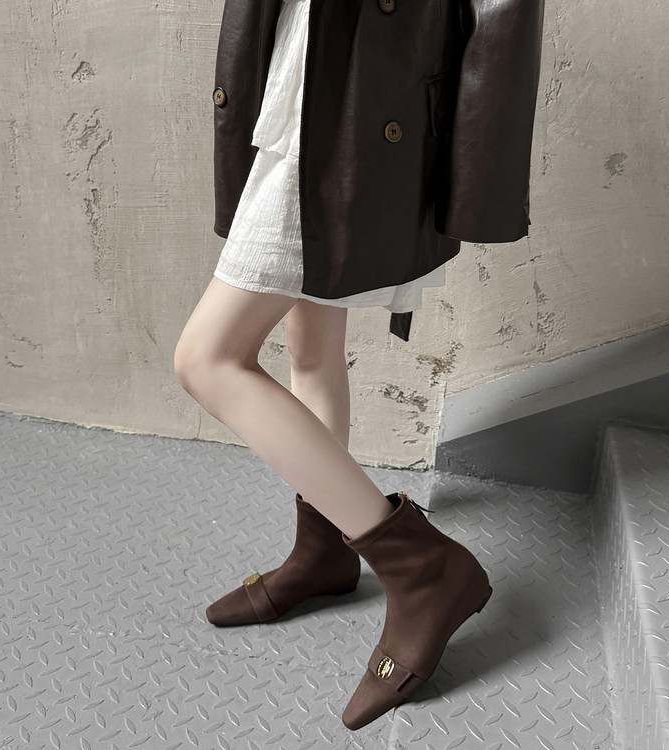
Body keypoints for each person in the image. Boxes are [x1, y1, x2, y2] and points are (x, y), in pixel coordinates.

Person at [174, 0, 499, 731]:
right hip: (309, 79)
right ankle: (324, 551)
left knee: (207, 359)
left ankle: (423, 569)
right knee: (311, 343)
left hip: (342, 92)